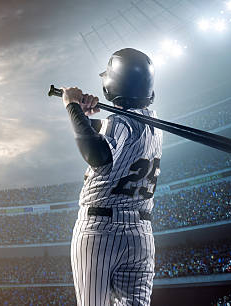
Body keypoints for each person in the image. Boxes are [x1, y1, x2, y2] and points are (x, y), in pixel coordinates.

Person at [63, 48, 162, 306]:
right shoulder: (155, 125)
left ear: (111, 85)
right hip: (141, 234)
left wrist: (72, 106)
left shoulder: (120, 122)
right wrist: (84, 118)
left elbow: (96, 154)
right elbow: (108, 136)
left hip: (101, 230)